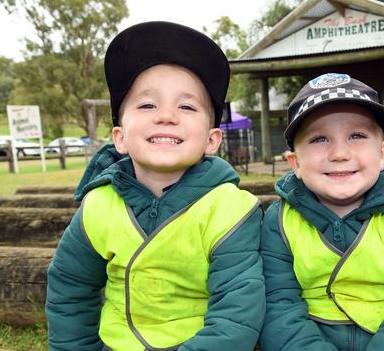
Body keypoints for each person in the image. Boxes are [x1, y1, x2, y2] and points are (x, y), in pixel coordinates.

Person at [45, 21, 265, 351]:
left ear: (212, 139)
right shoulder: (99, 205)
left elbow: (236, 314)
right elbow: (70, 287)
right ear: (119, 137)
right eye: (147, 105)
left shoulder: (231, 210)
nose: (166, 116)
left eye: (187, 106)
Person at [259, 73, 384, 351]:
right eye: (318, 139)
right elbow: (278, 305)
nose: (340, 153)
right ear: (295, 163)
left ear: (382, 154)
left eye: (357, 136)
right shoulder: (279, 220)